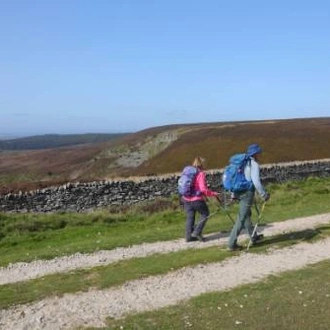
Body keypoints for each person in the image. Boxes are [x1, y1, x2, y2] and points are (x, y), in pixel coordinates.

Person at [227, 143, 270, 251]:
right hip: (247, 193)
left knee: (246, 215)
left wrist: (233, 194)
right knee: (241, 218)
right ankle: (231, 244)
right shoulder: (253, 164)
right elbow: (256, 182)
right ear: (255, 153)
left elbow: (234, 179)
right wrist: (264, 194)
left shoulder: (241, 163)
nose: (259, 154)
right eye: (258, 153)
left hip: (238, 191)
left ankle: (254, 236)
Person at [182, 157, 220, 242]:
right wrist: (213, 194)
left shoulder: (187, 172)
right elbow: (203, 189)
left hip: (186, 198)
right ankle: (197, 232)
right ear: (202, 164)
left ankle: (188, 237)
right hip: (196, 199)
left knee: (190, 217)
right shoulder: (200, 173)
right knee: (205, 213)